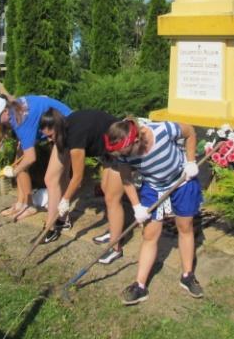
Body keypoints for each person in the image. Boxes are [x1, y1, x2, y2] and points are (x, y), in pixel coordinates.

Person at [104, 117, 202, 305]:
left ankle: (187, 276)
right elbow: (126, 178)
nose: (118, 156)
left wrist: (191, 161)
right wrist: (136, 206)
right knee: (149, 234)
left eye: (121, 152)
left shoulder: (162, 131)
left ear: (135, 140)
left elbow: (189, 131)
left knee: (185, 227)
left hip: (182, 180)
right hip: (154, 187)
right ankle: (140, 286)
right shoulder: (122, 154)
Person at [0, 92, 71, 220]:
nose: (0, 126)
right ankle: (24, 204)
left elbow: (30, 157)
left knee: (51, 177)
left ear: (5, 112)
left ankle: (44, 212)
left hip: (66, 127)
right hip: (53, 124)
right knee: (20, 162)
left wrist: (13, 172)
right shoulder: (11, 110)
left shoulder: (20, 121)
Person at [39, 108, 125, 260]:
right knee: (106, 189)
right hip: (107, 149)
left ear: (58, 128)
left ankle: (116, 247)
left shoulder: (75, 137)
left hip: (120, 146)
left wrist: (65, 200)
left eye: (51, 136)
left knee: (112, 198)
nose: (50, 140)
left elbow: (78, 177)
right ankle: (114, 232)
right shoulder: (67, 127)